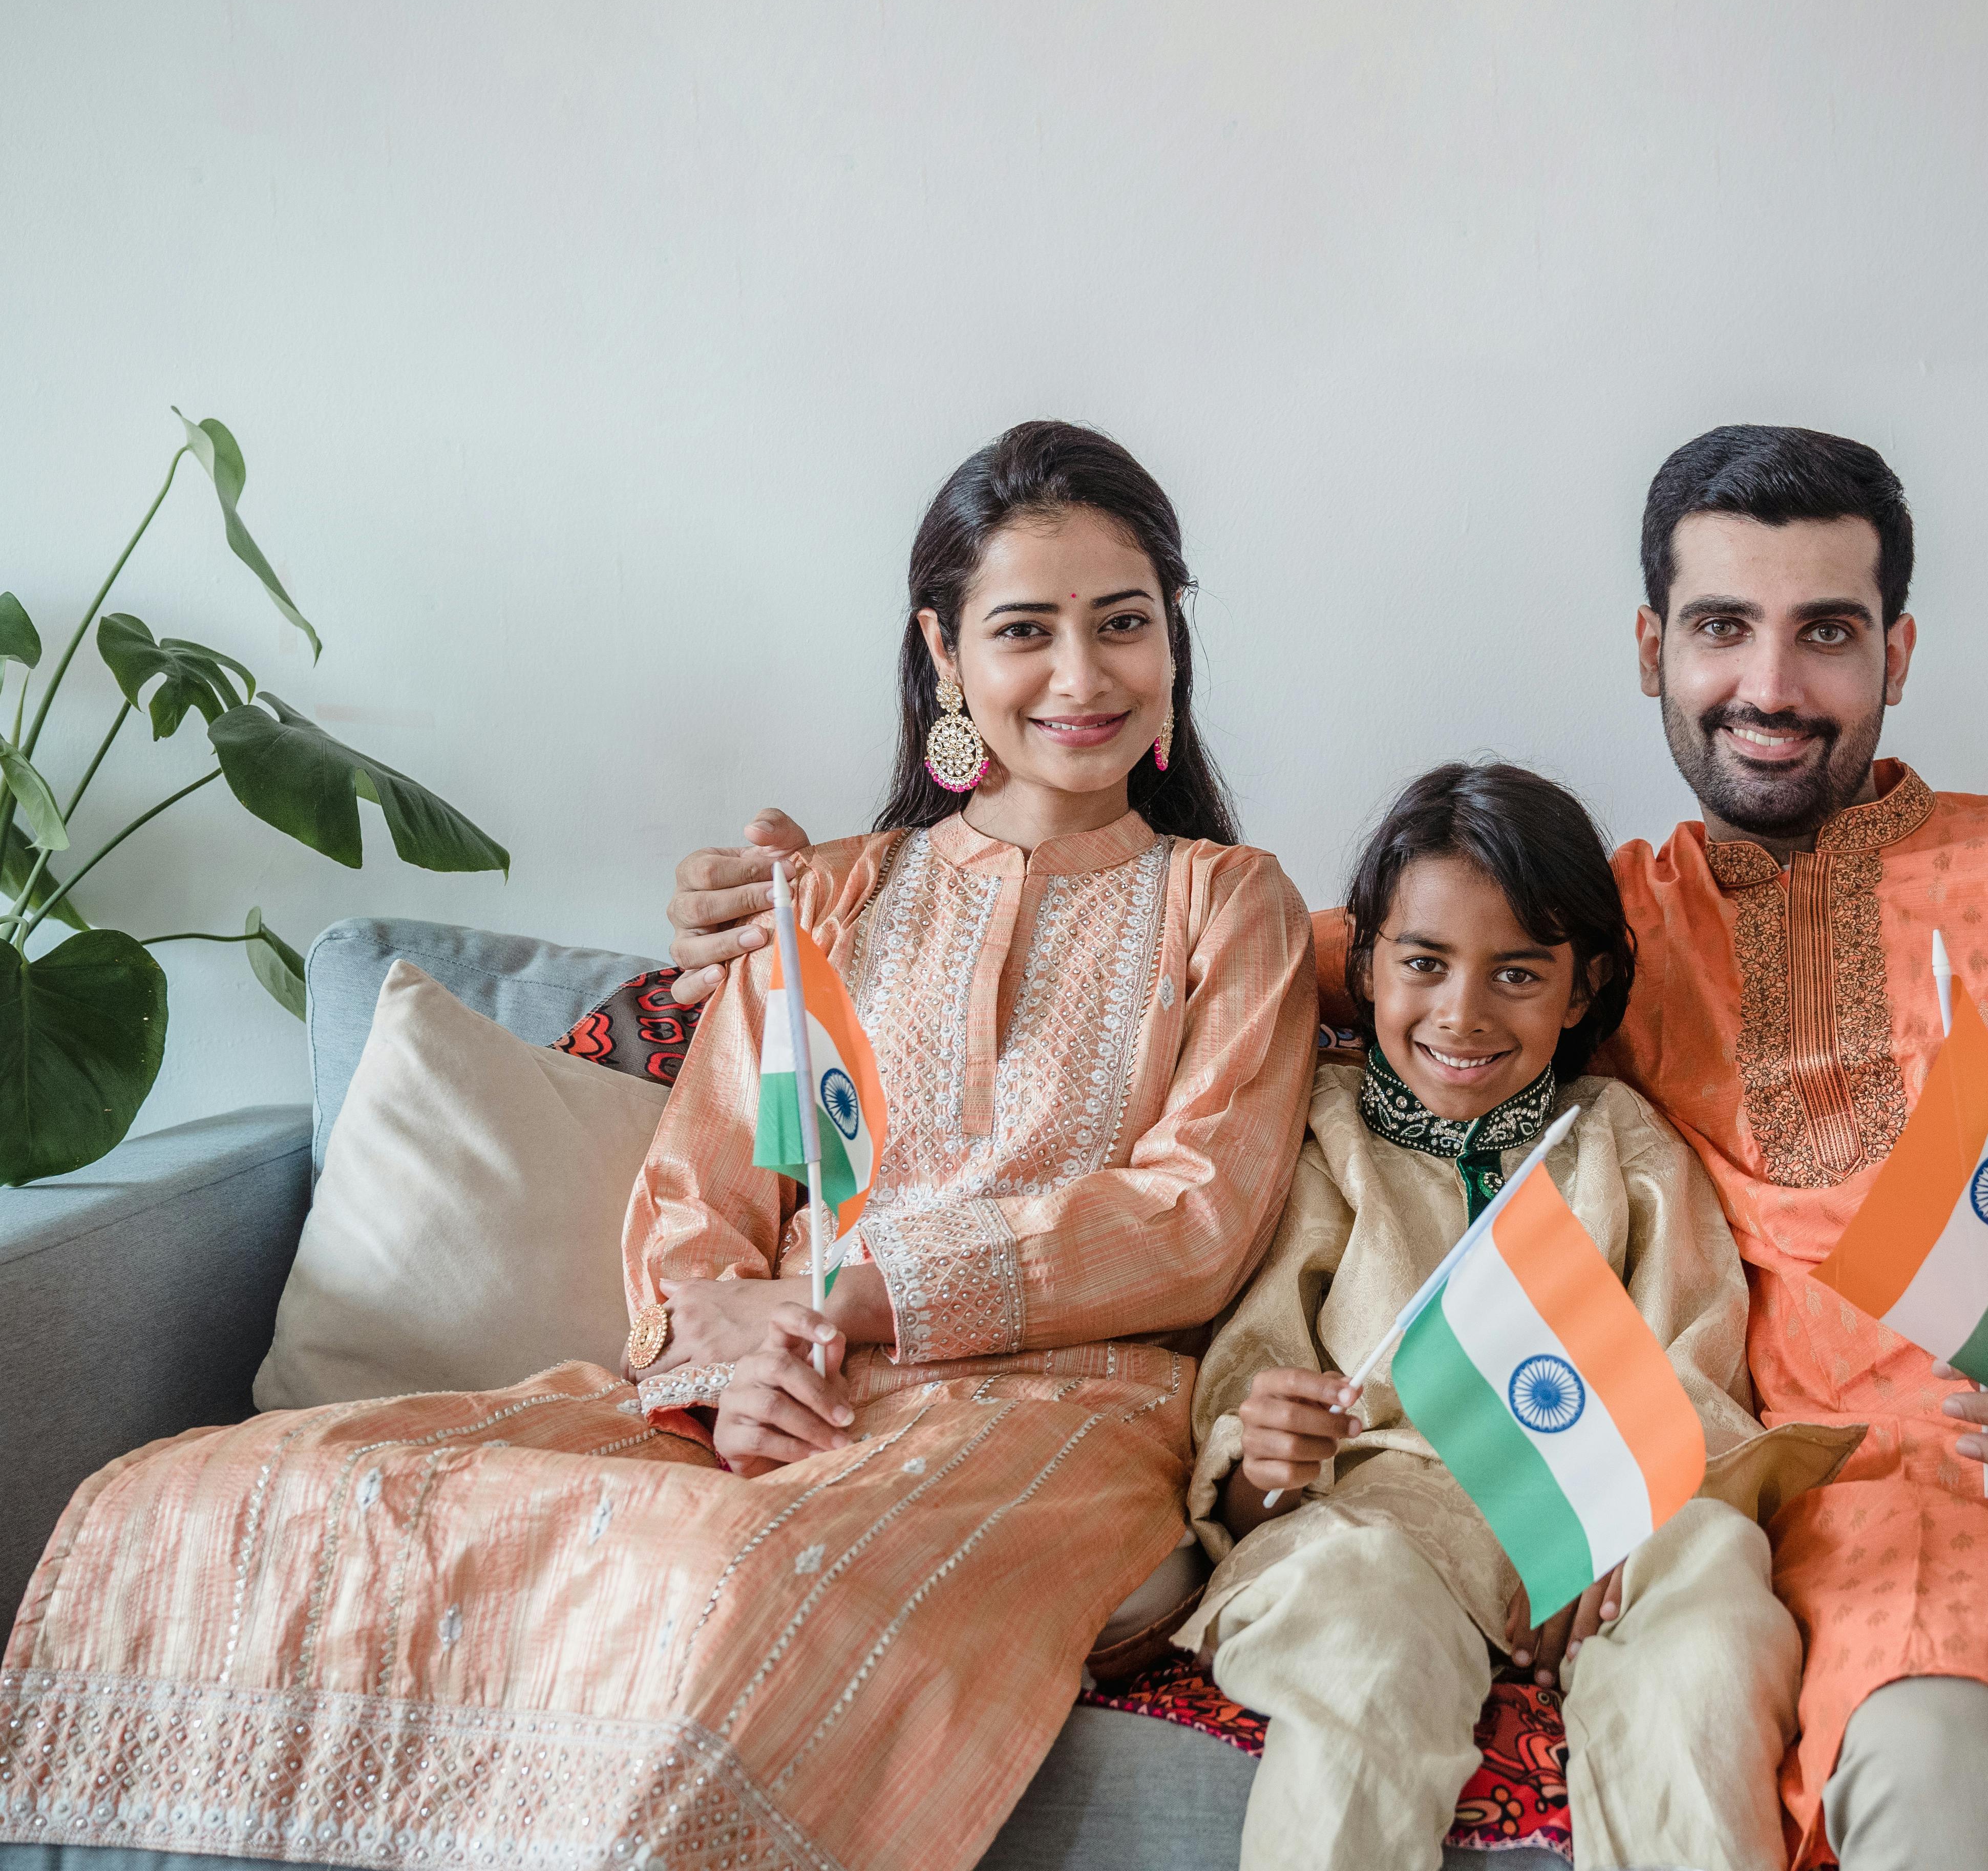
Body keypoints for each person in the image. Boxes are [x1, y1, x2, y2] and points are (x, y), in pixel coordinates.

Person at [663, 426, 1988, 1871]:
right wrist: (838, 885)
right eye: (1726, 627)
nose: (1776, 681)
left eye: (1828, 629)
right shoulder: (1575, 934)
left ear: (1900, 649)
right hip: (1938, 1507)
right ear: (1653, 650)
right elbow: (1213, 951)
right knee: (1928, 1787)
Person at [0, 422, 1316, 1871]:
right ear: (943, 656)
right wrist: (725, 1374)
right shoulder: (815, 900)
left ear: (1172, 643)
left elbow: (1195, 1217)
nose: (1082, 677)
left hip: (1066, 1422)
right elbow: (700, 1210)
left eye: (1123, 624)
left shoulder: (1229, 905)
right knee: (236, 1496)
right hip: (781, 1394)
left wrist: (869, 1300)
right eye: (1027, 631)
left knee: (754, 1585)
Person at [1184, 761, 1851, 1871]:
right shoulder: (1318, 1139)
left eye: (1517, 974)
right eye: (1424, 963)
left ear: (1582, 989)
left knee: (1717, 1597)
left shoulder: (1621, 1144)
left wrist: (1617, 1520)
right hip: (1381, 1514)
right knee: (1364, 1628)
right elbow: (1249, 1427)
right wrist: (1265, 1456)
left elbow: (1694, 1374)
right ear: (1366, 966)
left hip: (1603, 1517)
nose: (1462, 1012)